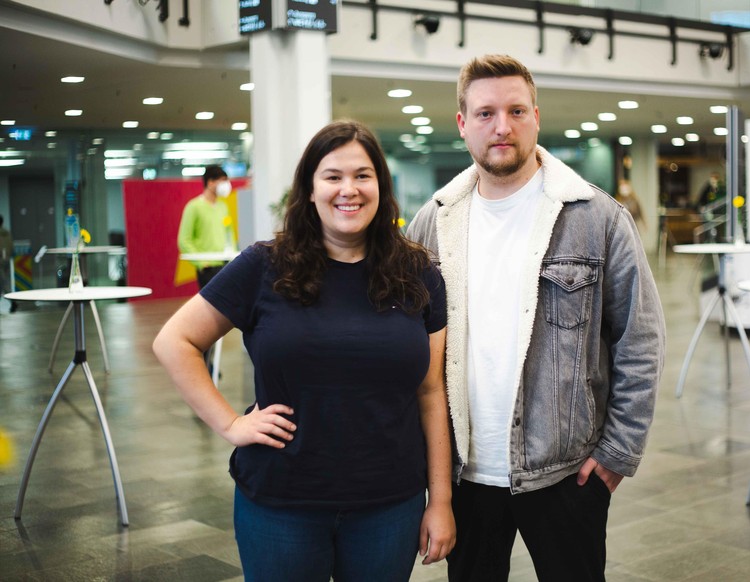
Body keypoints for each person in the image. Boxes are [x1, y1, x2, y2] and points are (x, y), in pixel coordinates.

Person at [153, 120, 455, 581]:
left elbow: (431, 391)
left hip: (389, 505)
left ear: (381, 186)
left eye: (362, 175)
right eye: (332, 176)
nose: (347, 190)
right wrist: (231, 423)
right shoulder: (264, 265)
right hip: (281, 503)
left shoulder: (418, 273)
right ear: (310, 189)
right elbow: (174, 340)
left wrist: (441, 501)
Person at [407, 54, 666, 582]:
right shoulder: (433, 221)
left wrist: (618, 452)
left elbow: (640, 339)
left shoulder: (595, 217)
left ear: (536, 117)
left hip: (566, 472)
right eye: (484, 114)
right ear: (462, 124)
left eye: (516, 111)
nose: (501, 126)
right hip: (465, 473)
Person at [178, 164, 236, 289]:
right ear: (210, 183)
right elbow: (184, 239)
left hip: (225, 264)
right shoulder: (193, 207)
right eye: (222, 181)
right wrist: (201, 263)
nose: (226, 185)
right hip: (208, 267)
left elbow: (228, 232)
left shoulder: (223, 207)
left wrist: (232, 257)